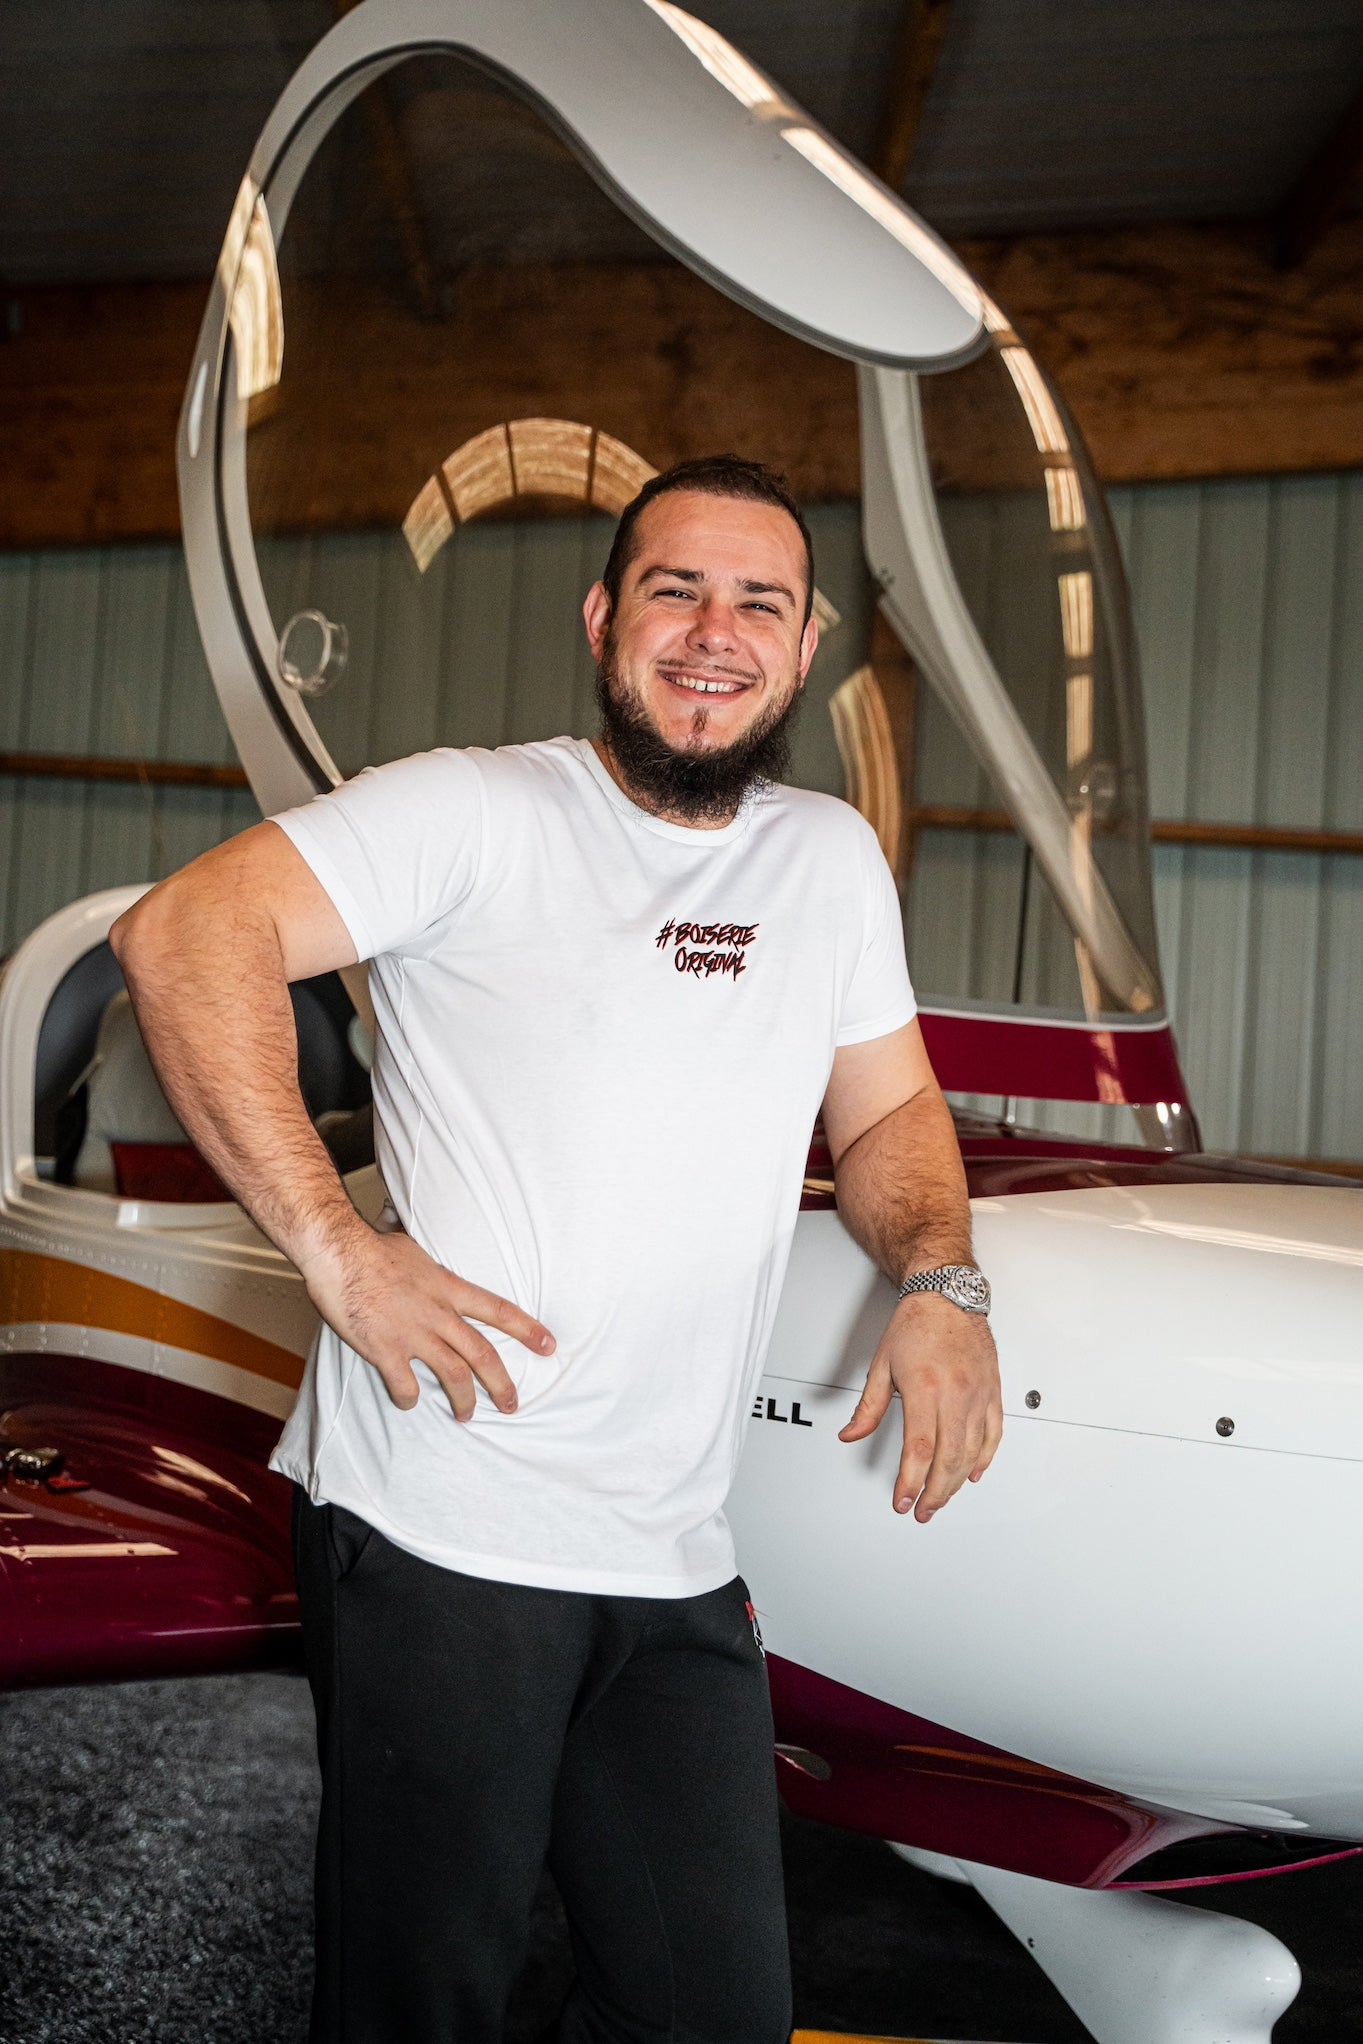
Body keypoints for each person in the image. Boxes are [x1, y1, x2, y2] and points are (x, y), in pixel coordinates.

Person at [113, 454, 1002, 2044]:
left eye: (760, 603)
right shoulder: (477, 809)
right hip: (443, 1525)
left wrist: (942, 1281)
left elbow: (887, 1114)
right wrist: (336, 1246)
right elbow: (185, 934)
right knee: (421, 2007)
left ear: (805, 651)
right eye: (676, 591)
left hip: (673, 1551)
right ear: (603, 621)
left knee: (708, 2017)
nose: (715, 631)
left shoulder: (827, 860)